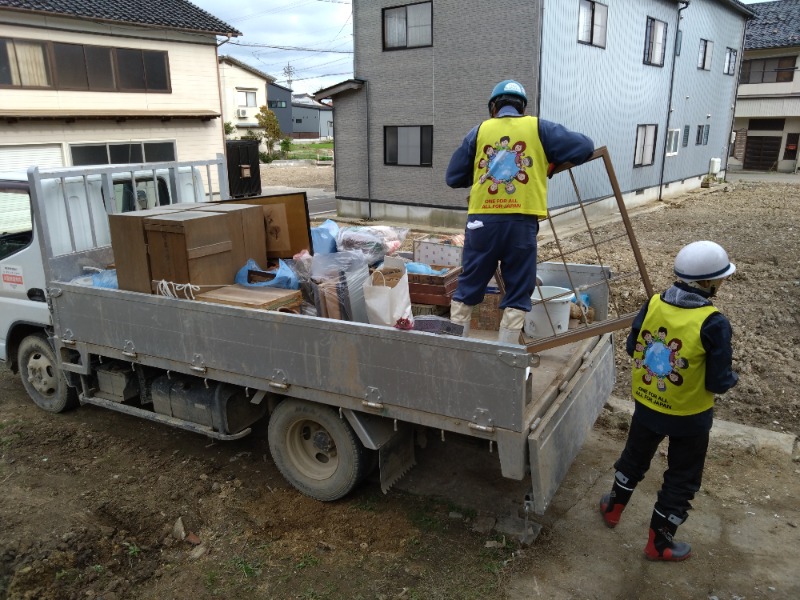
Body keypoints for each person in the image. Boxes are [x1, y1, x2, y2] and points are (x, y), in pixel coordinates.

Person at [599, 240, 739, 561]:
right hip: (689, 418)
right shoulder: (714, 323)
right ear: (706, 283)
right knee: (681, 478)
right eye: (719, 279)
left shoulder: (654, 303)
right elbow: (718, 381)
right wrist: (732, 379)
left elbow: (634, 346)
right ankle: (658, 544)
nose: (720, 284)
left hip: (648, 405)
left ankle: (612, 508)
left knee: (633, 458)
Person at [445, 79, 594, 342]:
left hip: (483, 223)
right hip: (521, 223)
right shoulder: (539, 128)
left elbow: (454, 177)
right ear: (522, 108)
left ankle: (457, 348)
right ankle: (506, 356)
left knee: (469, 284)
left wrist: (482, 171)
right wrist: (549, 161)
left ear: (494, 108)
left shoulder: (478, 132)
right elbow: (585, 147)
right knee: (517, 290)